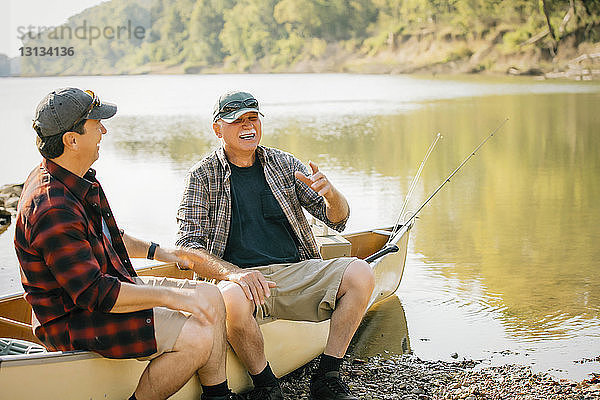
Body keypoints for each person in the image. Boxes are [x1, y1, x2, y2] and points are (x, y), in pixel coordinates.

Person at [14, 88, 244, 400]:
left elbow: (109, 236)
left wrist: (161, 252)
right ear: (72, 140)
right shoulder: (52, 208)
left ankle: (217, 394)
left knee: (210, 295)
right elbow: (96, 294)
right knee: (198, 336)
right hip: (72, 321)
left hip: (104, 295)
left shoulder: (75, 178)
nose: (104, 130)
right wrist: (171, 298)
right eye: (97, 124)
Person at [176, 91, 375, 400]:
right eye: (237, 121)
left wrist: (332, 193)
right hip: (241, 283)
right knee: (230, 297)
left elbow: (337, 220)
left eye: (252, 119)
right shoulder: (202, 176)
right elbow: (187, 249)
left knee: (361, 273)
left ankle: (327, 375)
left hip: (295, 271)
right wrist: (234, 274)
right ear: (217, 129)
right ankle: (267, 386)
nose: (247, 127)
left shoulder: (283, 163)